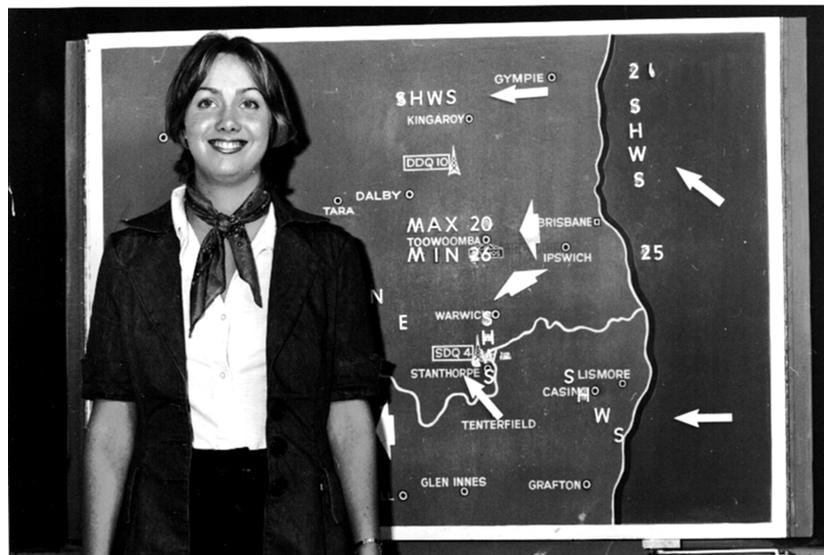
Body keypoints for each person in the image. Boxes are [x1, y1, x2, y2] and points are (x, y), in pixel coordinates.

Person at [82, 33, 384, 555]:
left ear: (276, 125)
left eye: (249, 102)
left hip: (293, 527)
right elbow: (111, 422)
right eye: (206, 102)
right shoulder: (130, 256)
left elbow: (349, 413)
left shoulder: (332, 256)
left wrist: (367, 545)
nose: (228, 120)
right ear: (181, 124)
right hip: (165, 528)